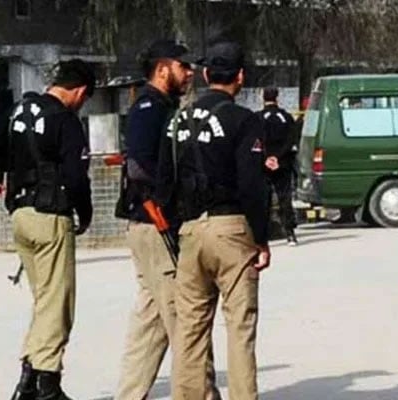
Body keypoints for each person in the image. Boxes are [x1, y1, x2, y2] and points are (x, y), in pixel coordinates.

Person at [157, 40, 271, 400]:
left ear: (206, 75)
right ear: (241, 76)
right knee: (239, 325)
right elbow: (253, 184)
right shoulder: (242, 120)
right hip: (232, 226)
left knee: (190, 327)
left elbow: (163, 184)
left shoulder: (177, 120)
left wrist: (178, 229)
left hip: (191, 228)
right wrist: (262, 238)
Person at [0, 59, 96, 400]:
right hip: (51, 217)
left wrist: (16, 165)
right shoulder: (65, 120)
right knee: (57, 303)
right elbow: (76, 176)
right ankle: (47, 385)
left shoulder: (19, 110)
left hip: (21, 216)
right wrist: (84, 213)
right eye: (85, 98)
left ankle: (28, 383)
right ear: (80, 90)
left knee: (44, 300)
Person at [112, 39, 221, 400]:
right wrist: (169, 201)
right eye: (183, 66)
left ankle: (129, 394)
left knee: (152, 320)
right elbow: (140, 166)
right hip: (156, 223)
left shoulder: (162, 106)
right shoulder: (150, 108)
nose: (189, 73)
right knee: (187, 318)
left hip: (149, 224)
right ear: (163, 69)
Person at [258, 87, 298, 245]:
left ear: (263, 97)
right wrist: (278, 157)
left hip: (264, 164)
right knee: (285, 197)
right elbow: (291, 140)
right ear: (277, 97)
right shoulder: (286, 117)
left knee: (263, 199)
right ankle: (290, 233)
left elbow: (257, 140)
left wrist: (267, 157)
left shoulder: (258, 118)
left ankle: (263, 235)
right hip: (283, 163)